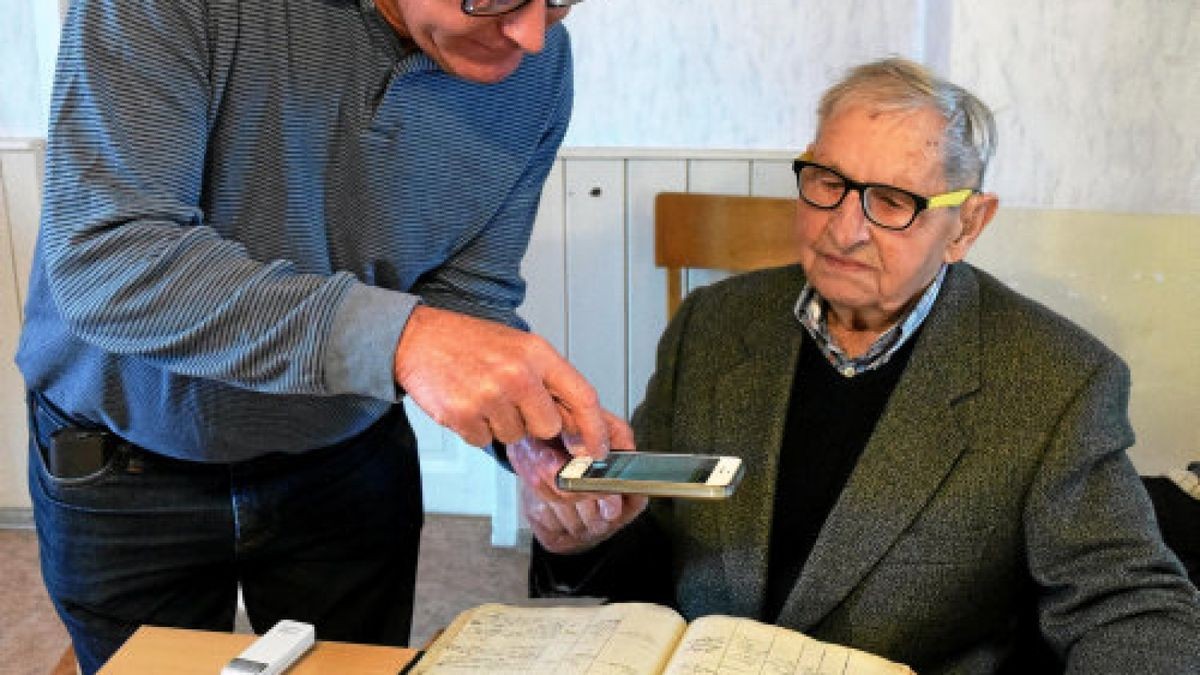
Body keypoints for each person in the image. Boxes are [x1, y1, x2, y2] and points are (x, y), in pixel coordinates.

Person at [512, 57, 1200, 673]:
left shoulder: (1057, 380)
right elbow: (653, 541)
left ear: (966, 225)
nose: (844, 228)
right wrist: (582, 538)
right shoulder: (714, 324)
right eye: (829, 182)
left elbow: (1129, 603)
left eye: (894, 202)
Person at [16, 0, 622, 671]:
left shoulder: (539, 74)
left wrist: (533, 436)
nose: (532, 35)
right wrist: (403, 340)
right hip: (125, 457)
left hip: (346, 457)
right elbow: (109, 257)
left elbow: (462, 294)